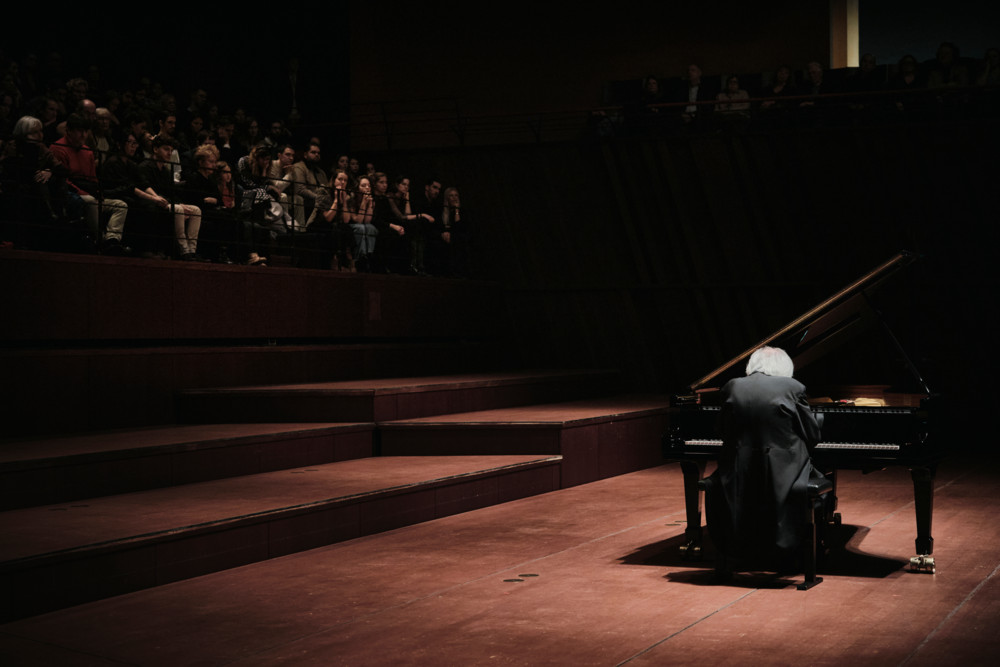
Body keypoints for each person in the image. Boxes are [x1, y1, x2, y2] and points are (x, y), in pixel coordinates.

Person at [703, 346, 825, 574]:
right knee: (817, 480)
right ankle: (796, 549)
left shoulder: (732, 386)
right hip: (783, 471)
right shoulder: (793, 388)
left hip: (739, 470)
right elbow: (812, 435)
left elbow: (721, 429)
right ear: (784, 366)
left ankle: (743, 548)